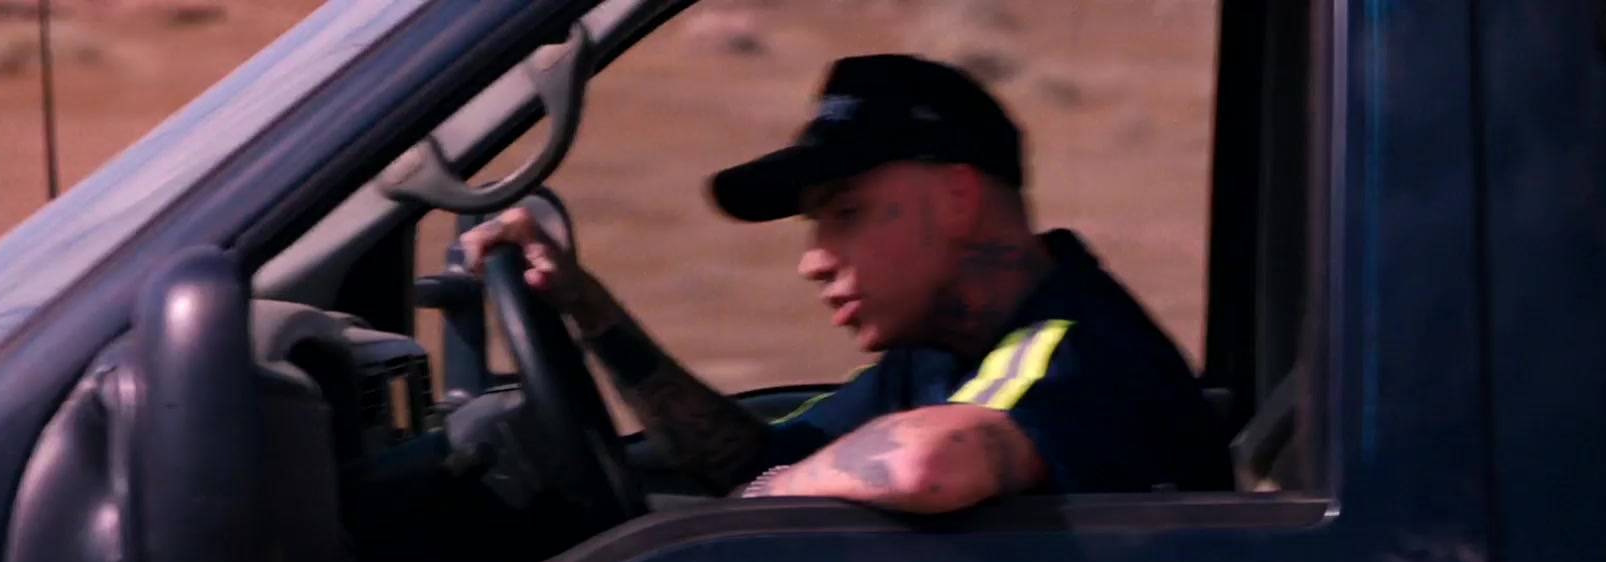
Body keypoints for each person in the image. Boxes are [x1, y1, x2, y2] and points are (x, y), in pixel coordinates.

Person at [460, 53, 1233, 512]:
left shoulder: (1078, 351)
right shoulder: (939, 355)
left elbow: (928, 463)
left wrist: (750, 513)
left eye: (846, 213)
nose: (814, 259)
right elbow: (752, 460)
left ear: (957, 197)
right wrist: (592, 311)